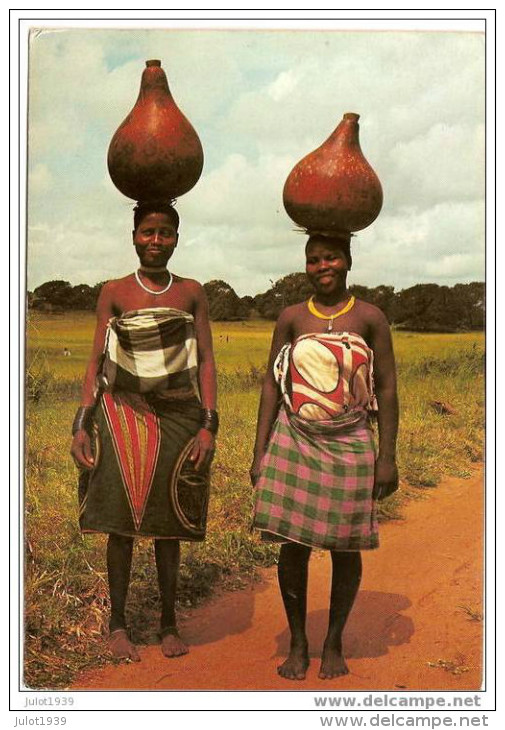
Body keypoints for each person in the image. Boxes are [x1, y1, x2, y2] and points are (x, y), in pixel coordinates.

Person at [70, 201, 217, 662]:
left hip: (179, 413)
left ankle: (168, 622)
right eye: (147, 232)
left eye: (165, 233)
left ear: (177, 237)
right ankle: (118, 623)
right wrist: (82, 422)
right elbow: (96, 360)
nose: (156, 241)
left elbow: (207, 360)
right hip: (122, 411)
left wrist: (209, 424)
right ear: (133, 236)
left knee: (168, 521)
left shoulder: (191, 292)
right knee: (121, 521)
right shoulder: (114, 292)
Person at [250, 232, 398, 681]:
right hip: (294, 439)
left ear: (348, 260)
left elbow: (387, 387)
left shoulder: (370, 318)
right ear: (306, 266)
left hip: (352, 440)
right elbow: (272, 384)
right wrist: (259, 451)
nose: (322, 266)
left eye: (330, 257)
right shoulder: (291, 318)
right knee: (292, 546)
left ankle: (333, 640)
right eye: (313, 260)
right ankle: (298, 642)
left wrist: (387, 455)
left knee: (344, 545)